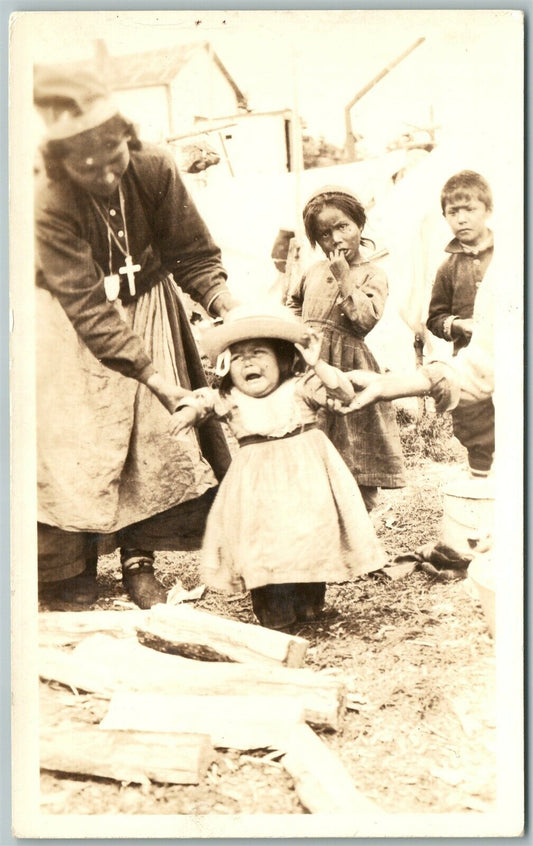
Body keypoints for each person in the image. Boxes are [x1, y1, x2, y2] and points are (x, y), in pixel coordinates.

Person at [34, 64, 238, 609]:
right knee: (76, 447)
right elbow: (85, 304)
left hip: (149, 307)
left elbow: (193, 253)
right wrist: (150, 374)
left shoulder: (155, 168)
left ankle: (138, 558)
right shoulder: (46, 201)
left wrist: (225, 307)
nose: (104, 176)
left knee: (152, 444)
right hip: (72, 326)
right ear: (61, 165)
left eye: (113, 159)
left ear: (129, 139)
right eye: (86, 167)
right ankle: (67, 569)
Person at [169, 304, 388, 630]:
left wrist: (319, 363)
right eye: (239, 356)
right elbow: (202, 400)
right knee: (262, 546)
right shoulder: (230, 397)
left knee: (308, 539)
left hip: (306, 483)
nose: (248, 362)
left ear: (285, 359)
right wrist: (188, 412)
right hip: (256, 489)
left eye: (258, 353)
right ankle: (274, 610)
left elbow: (342, 394)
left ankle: (309, 601)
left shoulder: (301, 388)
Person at [286, 185, 405, 513]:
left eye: (343, 227)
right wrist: (299, 334)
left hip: (349, 370)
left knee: (353, 453)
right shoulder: (312, 271)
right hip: (311, 367)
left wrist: (344, 279)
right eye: (324, 234)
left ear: (359, 226)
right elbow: (293, 302)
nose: (335, 239)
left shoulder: (373, 274)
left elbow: (364, 320)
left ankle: (359, 535)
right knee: (311, 448)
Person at [426, 170, 495, 477]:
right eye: (453, 212)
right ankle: (480, 480)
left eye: (470, 210)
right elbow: (434, 318)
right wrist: (458, 325)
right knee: (475, 427)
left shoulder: (511, 253)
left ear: (488, 211)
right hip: (468, 361)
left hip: (506, 356)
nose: (462, 219)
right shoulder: (448, 267)